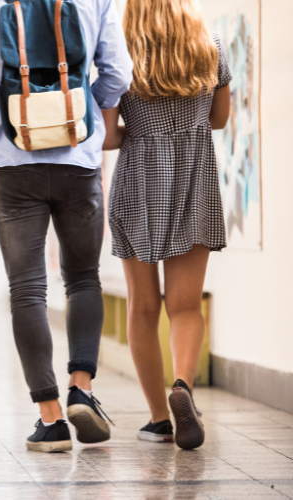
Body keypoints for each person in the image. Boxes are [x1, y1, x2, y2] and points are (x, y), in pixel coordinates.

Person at [0, 0, 133, 452]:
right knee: (82, 278)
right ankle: (82, 388)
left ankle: (50, 418)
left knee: (27, 289)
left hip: (15, 162)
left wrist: (8, 115)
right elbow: (118, 72)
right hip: (79, 157)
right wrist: (83, 109)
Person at [103, 0, 231, 450]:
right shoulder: (210, 46)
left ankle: (159, 418)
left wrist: (139, 130)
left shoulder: (119, 51)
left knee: (142, 306)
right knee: (185, 305)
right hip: (194, 180)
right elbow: (218, 119)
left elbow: (107, 135)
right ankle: (183, 387)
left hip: (137, 181)